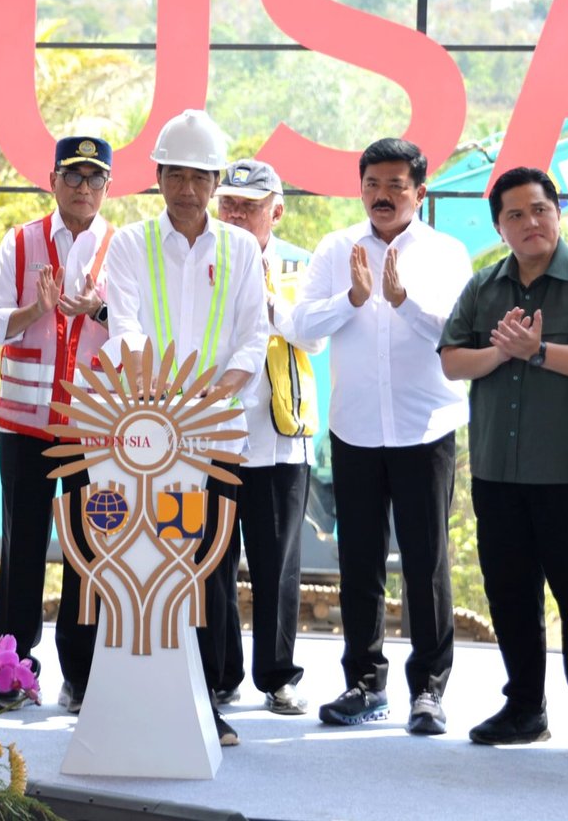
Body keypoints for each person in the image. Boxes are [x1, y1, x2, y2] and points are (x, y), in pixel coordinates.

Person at [438, 167, 568, 759]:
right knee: (511, 594)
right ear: (499, 226)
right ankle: (525, 708)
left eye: (539, 209)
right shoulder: (483, 287)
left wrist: (538, 351)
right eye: (515, 215)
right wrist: (501, 351)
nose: (530, 223)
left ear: (558, 212)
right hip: (498, 468)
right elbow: (451, 362)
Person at [291, 137, 472, 737]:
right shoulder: (335, 248)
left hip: (426, 428)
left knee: (426, 562)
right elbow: (302, 329)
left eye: (397, 185)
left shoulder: (446, 252)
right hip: (356, 429)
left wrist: (402, 301)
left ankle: (429, 690)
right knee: (359, 562)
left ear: (420, 192)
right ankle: (364, 684)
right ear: (360, 188)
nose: (383, 195)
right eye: (373, 184)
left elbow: (458, 334)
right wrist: (354, 298)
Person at [104, 109, 269, 748]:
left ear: (216, 182)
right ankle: (144, 700)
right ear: (159, 176)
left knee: (211, 570)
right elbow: (125, 328)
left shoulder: (239, 249)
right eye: (175, 174)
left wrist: (217, 392)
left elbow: (253, 337)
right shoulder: (130, 245)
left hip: (220, 437)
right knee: (150, 568)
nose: (187, 189)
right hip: (147, 436)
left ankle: (207, 699)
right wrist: (166, 396)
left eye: (200, 177)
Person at [0, 135, 114, 714]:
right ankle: (12, 670)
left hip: (93, 428)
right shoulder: (21, 241)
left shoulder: (124, 246)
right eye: (73, 176)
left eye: (95, 179)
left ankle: (81, 674)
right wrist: (33, 312)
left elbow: (144, 324)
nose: (84, 188)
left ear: (107, 187)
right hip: (27, 424)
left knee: (88, 551)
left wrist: (99, 311)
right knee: (23, 547)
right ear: (52, 179)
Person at [210, 158, 326, 716]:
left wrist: (266, 294)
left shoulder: (301, 264)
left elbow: (313, 335)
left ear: (275, 211)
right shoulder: (199, 257)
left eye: (249, 207)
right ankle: (219, 674)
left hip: (280, 439)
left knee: (277, 562)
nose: (234, 214)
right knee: (212, 560)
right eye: (227, 204)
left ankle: (278, 676)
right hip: (209, 436)